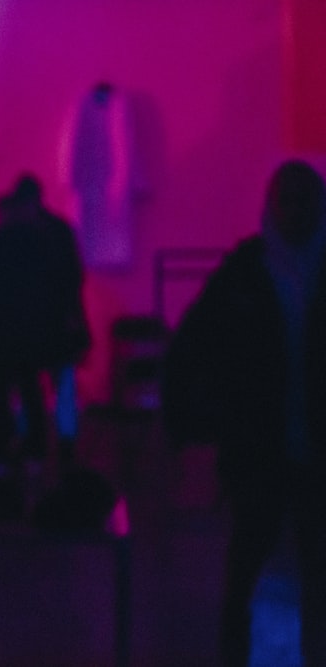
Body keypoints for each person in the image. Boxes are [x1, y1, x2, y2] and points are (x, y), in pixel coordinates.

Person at [162, 159, 326, 667]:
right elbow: (193, 347)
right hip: (264, 451)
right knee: (256, 571)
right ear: (273, 206)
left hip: (290, 450)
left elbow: (191, 346)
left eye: (305, 202)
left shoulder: (247, 272)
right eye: (290, 201)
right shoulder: (247, 271)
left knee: (274, 570)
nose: (297, 212)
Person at [0, 174, 90, 473]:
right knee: (47, 388)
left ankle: (24, 450)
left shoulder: (6, 238)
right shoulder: (54, 232)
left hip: (18, 330)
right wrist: (73, 317)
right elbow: (70, 279)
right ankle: (57, 449)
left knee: (23, 390)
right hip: (47, 325)